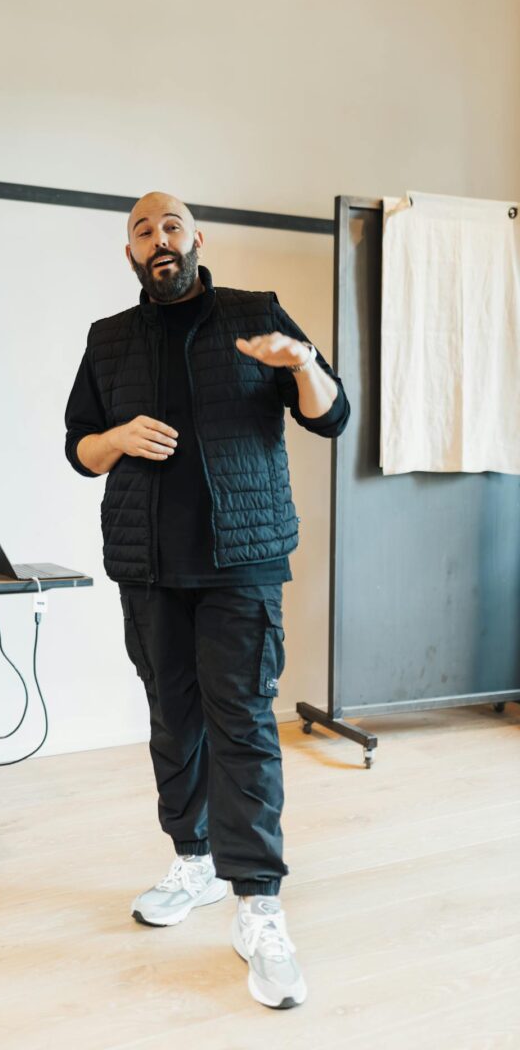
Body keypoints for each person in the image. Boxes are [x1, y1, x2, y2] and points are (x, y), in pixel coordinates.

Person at [64, 191, 350, 1010]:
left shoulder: (255, 315)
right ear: (129, 252)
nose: (159, 238)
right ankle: (193, 862)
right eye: (143, 230)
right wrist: (116, 438)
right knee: (172, 719)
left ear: (197, 239)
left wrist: (302, 363)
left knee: (244, 723)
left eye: (172, 226)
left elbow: (331, 416)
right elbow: (79, 448)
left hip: (242, 563)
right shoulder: (109, 339)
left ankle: (258, 903)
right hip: (148, 565)